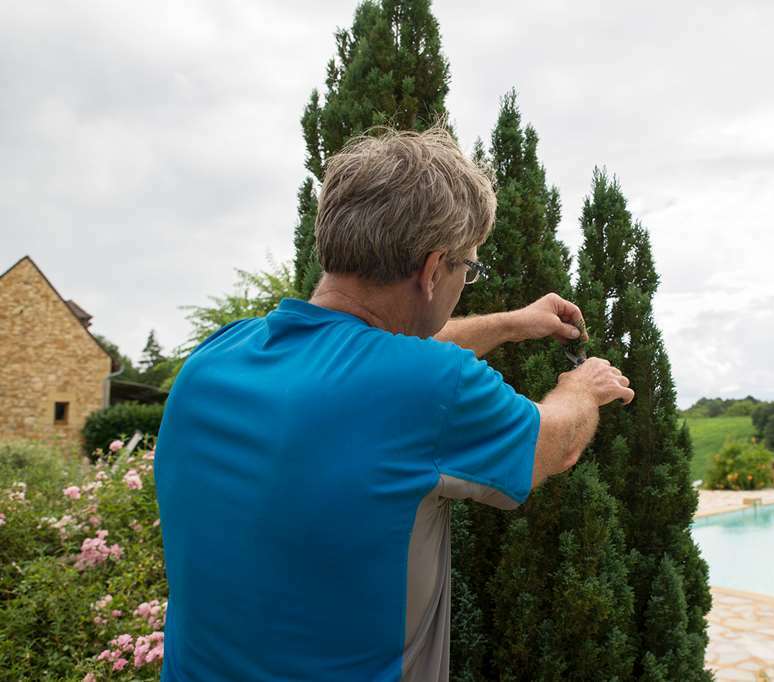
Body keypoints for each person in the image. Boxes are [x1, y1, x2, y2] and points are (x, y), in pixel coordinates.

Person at [154, 126, 634, 681]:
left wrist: (511, 324)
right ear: (433, 270)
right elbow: (551, 446)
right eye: (469, 269)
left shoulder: (216, 357)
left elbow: (374, 363)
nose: (467, 282)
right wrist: (582, 388)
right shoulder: (431, 386)